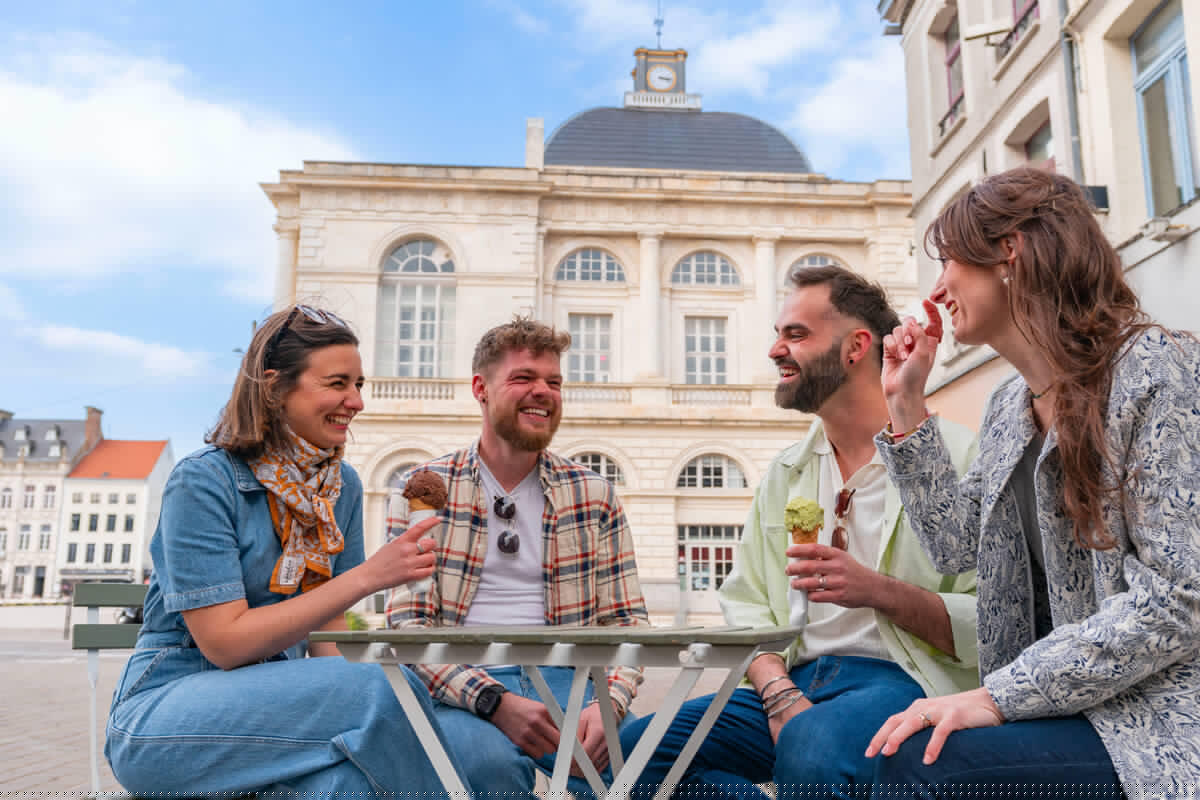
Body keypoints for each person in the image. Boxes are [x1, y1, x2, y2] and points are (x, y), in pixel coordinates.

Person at [867, 167, 1200, 797]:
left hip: (1154, 719)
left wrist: (997, 696)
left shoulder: (1156, 372)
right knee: (899, 751)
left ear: (1008, 252)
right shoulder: (1007, 405)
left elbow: (1177, 599)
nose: (938, 288)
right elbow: (958, 548)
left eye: (951, 261)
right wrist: (906, 402)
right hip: (1060, 706)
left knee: (922, 767)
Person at [620, 266, 979, 799]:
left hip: (904, 681)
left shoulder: (956, 456)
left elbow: (991, 621)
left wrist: (876, 589)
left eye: (796, 335)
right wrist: (776, 689)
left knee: (813, 748)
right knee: (628, 752)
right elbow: (745, 605)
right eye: (777, 334)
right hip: (792, 677)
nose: (774, 350)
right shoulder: (786, 471)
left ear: (857, 346)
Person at [106, 304, 458, 798]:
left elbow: (328, 636)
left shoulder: (343, 487)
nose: (356, 401)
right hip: (167, 716)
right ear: (274, 388)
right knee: (382, 689)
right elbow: (224, 645)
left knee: (345, 784)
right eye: (338, 384)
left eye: (360, 385)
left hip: (283, 712)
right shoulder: (204, 481)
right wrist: (366, 577)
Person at [387, 317, 651, 799]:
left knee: (641, 768)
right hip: (465, 687)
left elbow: (627, 620)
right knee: (487, 770)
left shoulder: (592, 492)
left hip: (575, 679)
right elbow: (409, 627)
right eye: (524, 378)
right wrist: (492, 701)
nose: (543, 392)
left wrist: (610, 702)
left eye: (553, 381)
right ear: (480, 389)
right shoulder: (425, 490)